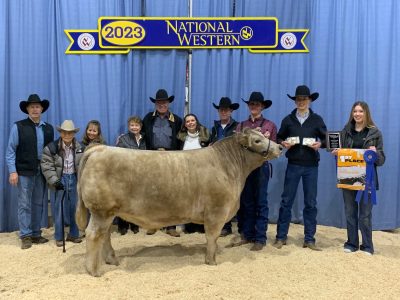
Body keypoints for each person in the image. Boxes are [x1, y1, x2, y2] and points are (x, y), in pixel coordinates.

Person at [274, 85, 327, 251]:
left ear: (310, 100)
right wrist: (283, 143)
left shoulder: (317, 119)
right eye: (298, 99)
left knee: (310, 203)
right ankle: (281, 237)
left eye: (304, 99)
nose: (301, 102)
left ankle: (309, 239)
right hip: (293, 165)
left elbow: (326, 139)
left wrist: (321, 144)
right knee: (286, 201)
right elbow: (279, 136)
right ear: (295, 101)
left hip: (311, 166)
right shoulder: (287, 120)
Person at [331, 101, 385, 255]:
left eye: (360, 111)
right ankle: (352, 243)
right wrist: (336, 152)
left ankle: (367, 246)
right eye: (355, 111)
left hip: (367, 180)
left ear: (366, 113)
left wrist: (376, 153)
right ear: (352, 113)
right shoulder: (346, 131)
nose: (357, 114)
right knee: (349, 212)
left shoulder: (375, 133)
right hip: (348, 178)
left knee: (365, 215)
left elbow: (381, 160)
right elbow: (336, 148)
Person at [6, 94, 54, 249]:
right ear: (27, 109)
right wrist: (13, 171)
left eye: (37, 106)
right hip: (24, 171)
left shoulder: (48, 128)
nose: (35, 109)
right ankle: (25, 235)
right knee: (24, 203)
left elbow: (51, 152)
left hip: (42, 171)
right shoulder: (18, 126)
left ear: (42, 109)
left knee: (39, 203)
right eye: (32, 106)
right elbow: (11, 150)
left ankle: (35, 233)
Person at [232, 92, 277, 251]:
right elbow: (237, 147)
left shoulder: (270, 125)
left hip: (261, 167)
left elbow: (273, 149)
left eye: (257, 104)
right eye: (251, 104)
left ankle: (260, 238)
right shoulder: (241, 126)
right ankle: (247, 234)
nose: (254, 107)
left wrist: (265, 139)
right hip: (245, 169)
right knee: (246, 202)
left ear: (262, 106)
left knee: (261, 202)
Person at [142, 89, 183, 237]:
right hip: (152, 158)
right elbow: (141, 136)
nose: (162, 104)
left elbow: (181, 140)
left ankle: (171, 226)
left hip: (171, 158)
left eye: (164, 102)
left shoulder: (177, 120)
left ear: (169, 103)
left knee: (172, 192)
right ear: (155, 104)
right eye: (159, 102)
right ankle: (153, 224)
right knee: (153, 192)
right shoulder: (147, 119)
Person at [41, 120, 84, 247]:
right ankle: (59, 236)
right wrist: (55, 181)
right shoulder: (51, 147)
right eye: (64, 132)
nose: (67, 135)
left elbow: (84, 165)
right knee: (59, 208)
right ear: (60, 133)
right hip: (60, 178)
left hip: (74, 178)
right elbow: (46, 165)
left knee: (75, 208)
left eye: (70, 133)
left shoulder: (80, 148)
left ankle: (74, 234)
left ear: (74, 134)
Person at [210, 97, 240, 236]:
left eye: (226, 110)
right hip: (216, 166)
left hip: (231, 166)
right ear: (218, 111)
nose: (223, 112)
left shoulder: (237, 127)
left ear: (231, 111)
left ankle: (229, 226)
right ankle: (222, 225)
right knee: (218, 195)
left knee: (229, 195)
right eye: (221, 110)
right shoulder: (214, 128)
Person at [177, 113, 210, 233]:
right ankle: (189, 226)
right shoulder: (180, 137)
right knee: (187, 198)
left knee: (202, 199)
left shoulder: (206, 135)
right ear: (185, 125)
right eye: (188, 121)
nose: (190, 123)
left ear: (196, 121)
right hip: (184, 172)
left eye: (192, 120)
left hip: (202, 172)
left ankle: (201, 226)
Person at [115, 116, 146, 235]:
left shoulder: (144, 139)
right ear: (128, 127)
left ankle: (134, 225)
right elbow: (118, 156)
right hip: (126, 174)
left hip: (139, 174)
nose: (134, 127)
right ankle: (122, 226)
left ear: (140, 127)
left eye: (136, 125)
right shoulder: (123, 139)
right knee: (123, 200)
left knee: (136, 200)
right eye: (132, 125)